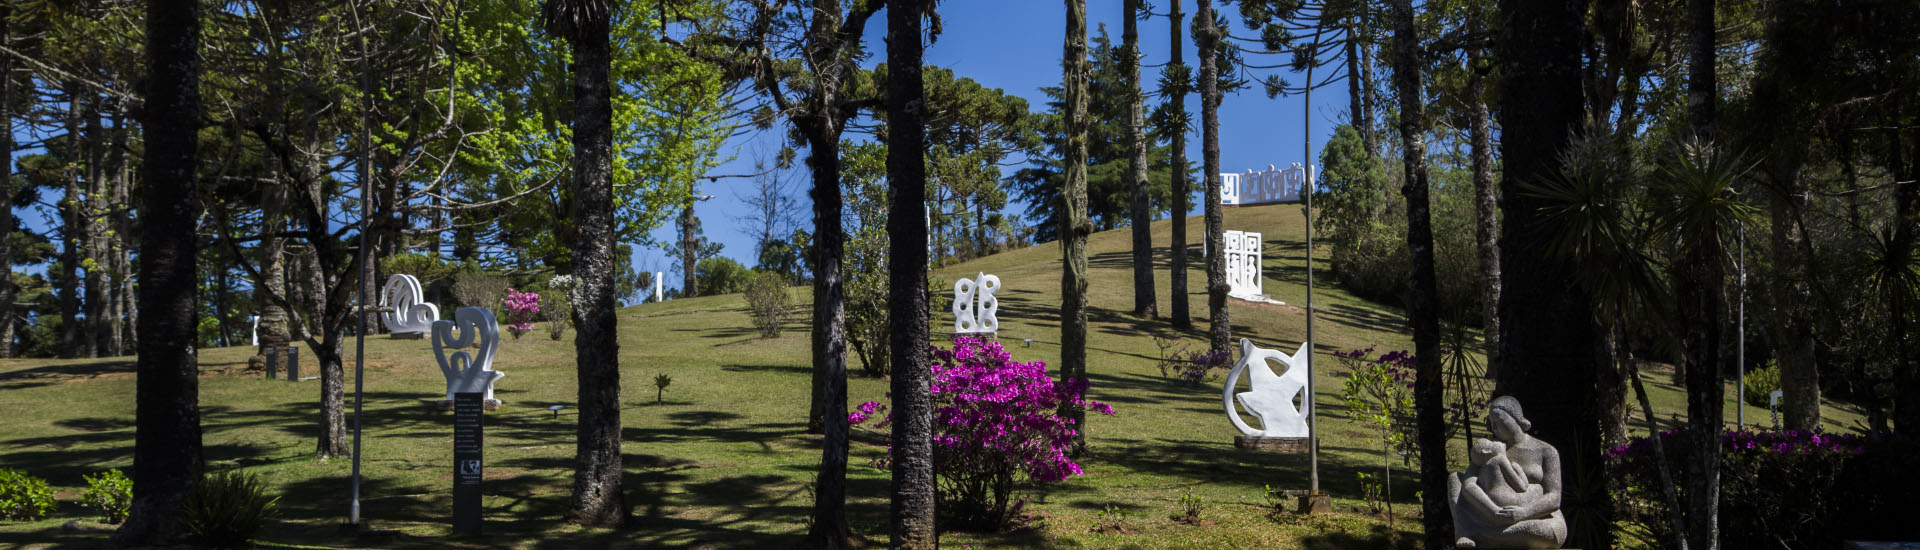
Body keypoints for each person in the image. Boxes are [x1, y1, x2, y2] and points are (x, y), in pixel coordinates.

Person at [1448, 396, 1569, 549]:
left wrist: (1524, 513)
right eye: (1492, 424)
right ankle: (1464, 531)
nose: (1495, 428)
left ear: (1516, 418)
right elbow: (1467, 483)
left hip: (1537, 519)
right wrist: (1493, 511)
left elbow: (1554, 498)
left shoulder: (1546, 451)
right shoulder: (1489, 448)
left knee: (1542, 531)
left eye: (1499, 421)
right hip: (1490, 515)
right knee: (1454, 479)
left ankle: (1480, 534)